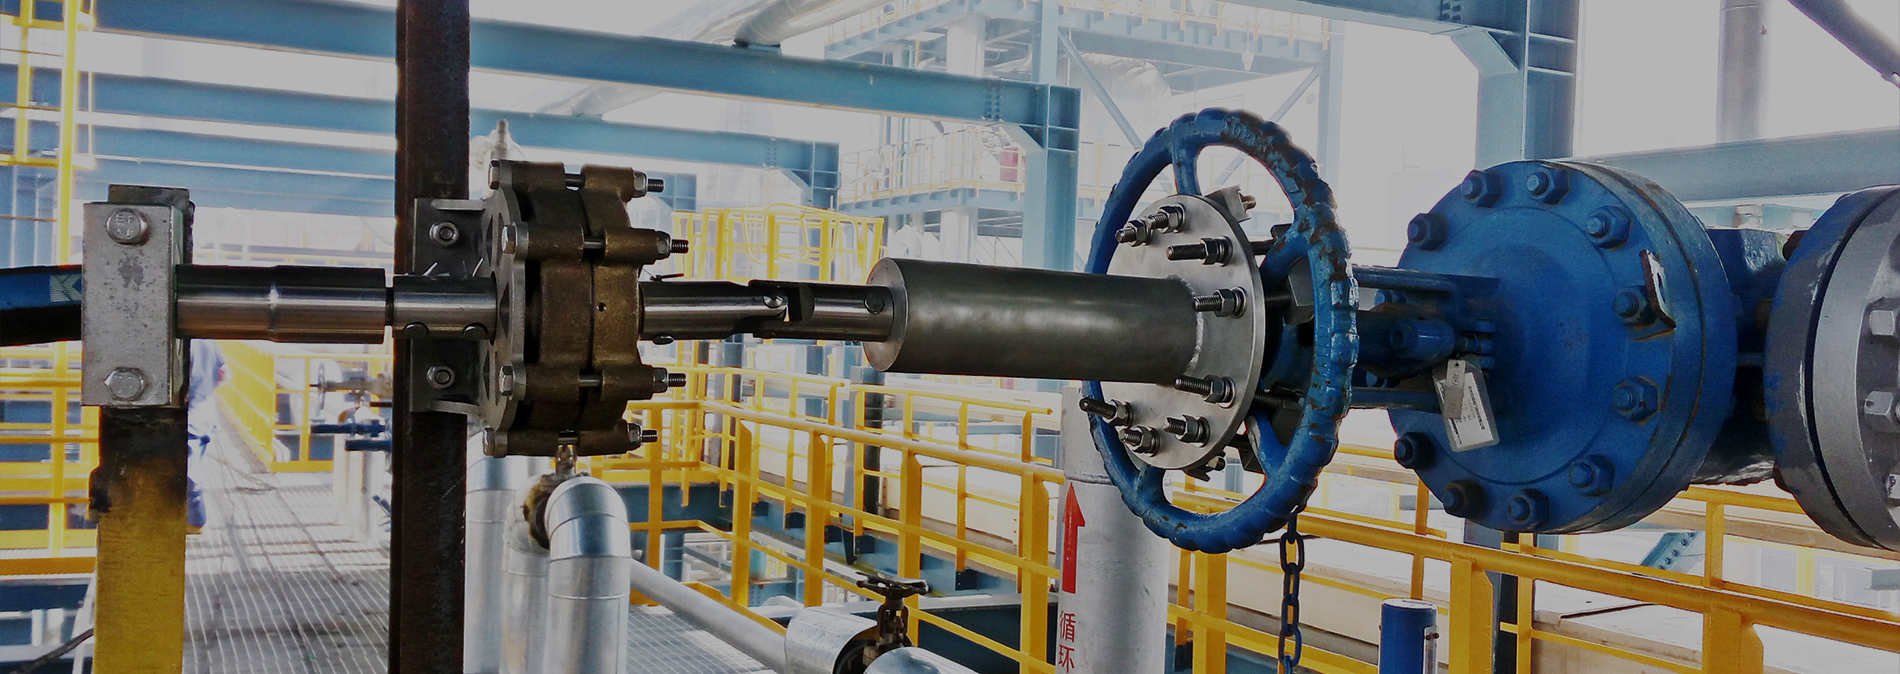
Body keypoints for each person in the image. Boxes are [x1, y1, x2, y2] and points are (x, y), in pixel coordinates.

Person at [185, 340, 227, 531]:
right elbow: (224, 374)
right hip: (202, 413)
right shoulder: (208, 342)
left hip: (189, 416)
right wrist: (204, 390)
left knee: (189, 473)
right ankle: (193, 520)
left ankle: (196, 521)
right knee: (191, 469)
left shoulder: (178, 341)